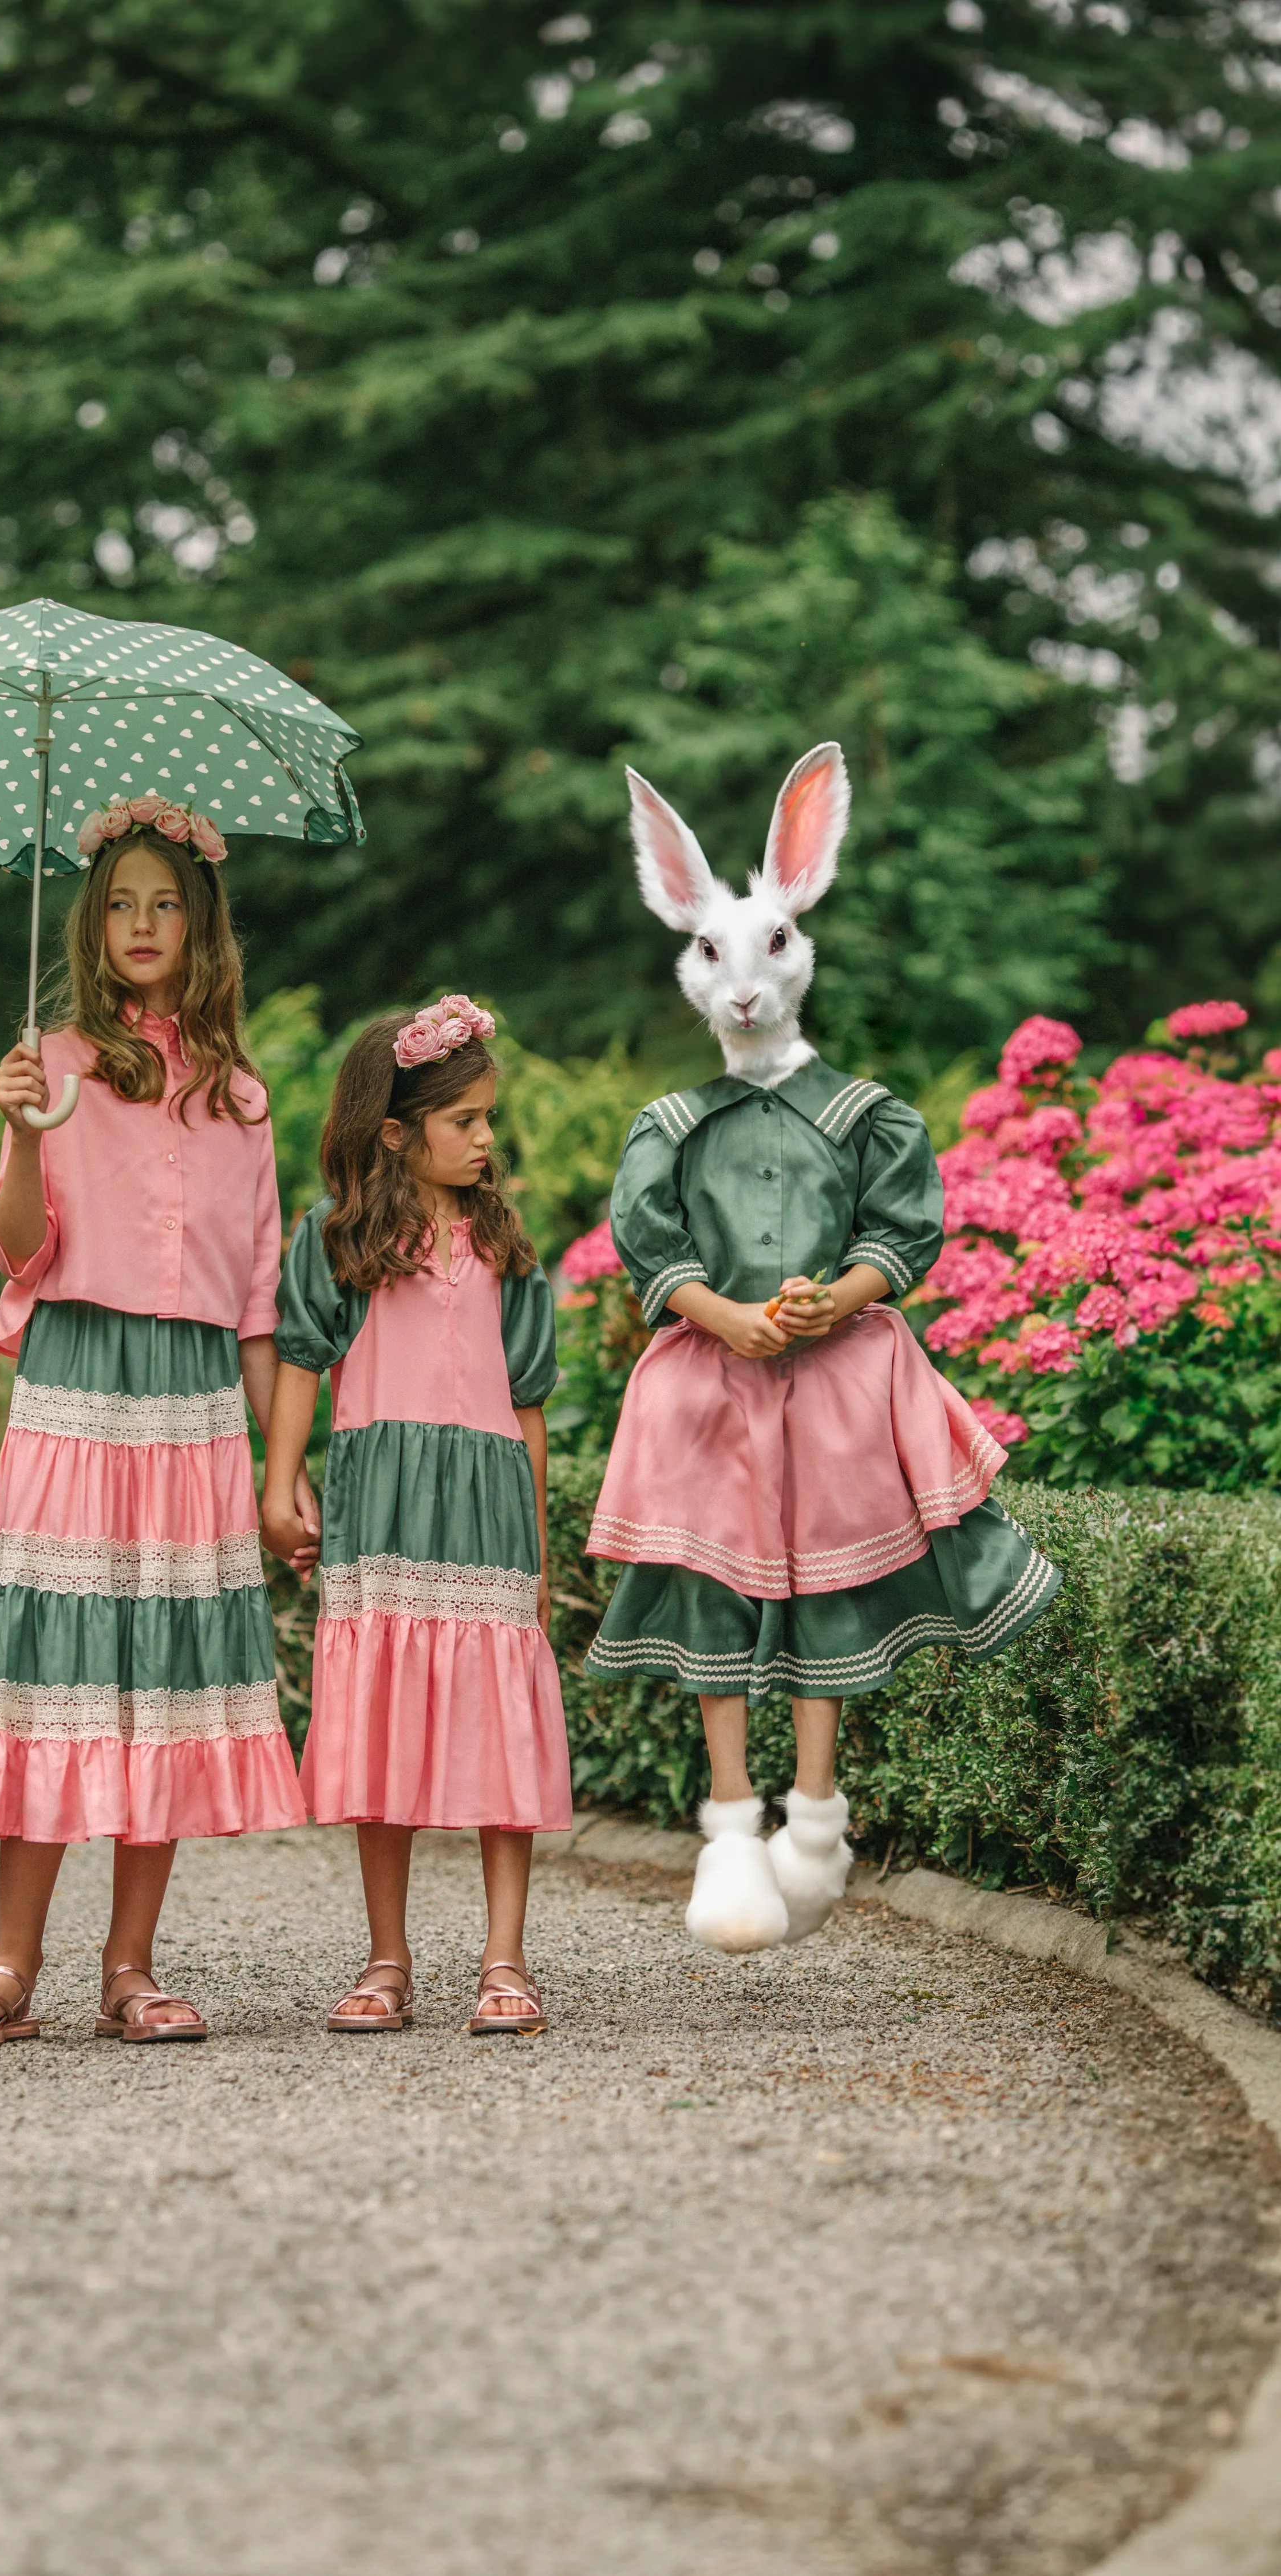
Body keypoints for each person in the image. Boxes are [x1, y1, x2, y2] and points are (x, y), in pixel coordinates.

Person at [586, 749, 1062, 1954]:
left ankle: (815, 1810)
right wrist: (724, 1314)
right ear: (685, 952)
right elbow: (650, 1248)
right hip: (712, 1381)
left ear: (802, 940)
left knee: (826, 1582)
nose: (745, 985)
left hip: (837, 1378)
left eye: (770, 948)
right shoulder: (669, 1128)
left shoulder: (866, 1115)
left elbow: (901, 1237)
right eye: (712, 954)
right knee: (714, 1580)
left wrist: (831, 1300)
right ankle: (731, 1819)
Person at [0, 794, 310, 2046]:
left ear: (202, 930)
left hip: (195, 1403)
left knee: (163, 1677)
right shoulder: (58, 1064)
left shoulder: (242, 1101)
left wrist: (282, 1473)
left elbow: (258, 1303)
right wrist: (18, 1133)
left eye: (168, 905)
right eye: (124, 905)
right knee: (54, 1667)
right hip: (77, 1385)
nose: (145, 923)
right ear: (93, 924)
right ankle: (11, 1968)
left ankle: (131, 1969)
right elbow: (21, 1251)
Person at [259, 998, 570, 2036]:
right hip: (379, 1503)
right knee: (381, 1716)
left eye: (489, 1120)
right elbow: (301, 1361)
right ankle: (386, 1956)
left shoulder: (506, 1248)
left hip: (485, 1508)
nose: (487, 1139)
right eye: (466, 1121)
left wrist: (533, 1544)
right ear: (398, 1131)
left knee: (500, 1718)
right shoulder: (342, 1236)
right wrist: (280, 1484)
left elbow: (528, 1409)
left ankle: (505, 1955)